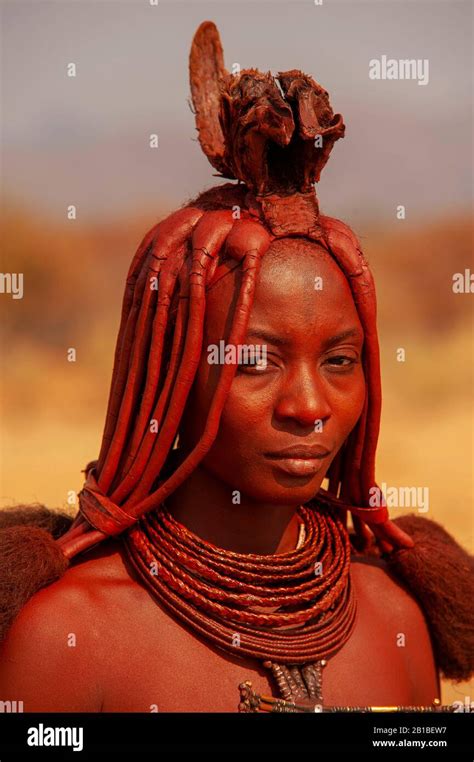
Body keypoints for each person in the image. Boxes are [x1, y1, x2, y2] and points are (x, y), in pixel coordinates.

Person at [0, 21, 472, 713]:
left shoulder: (394, 620)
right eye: (254, 360)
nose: (309, 405)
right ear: (173, 374)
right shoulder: (68, 636)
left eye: (340, 360)